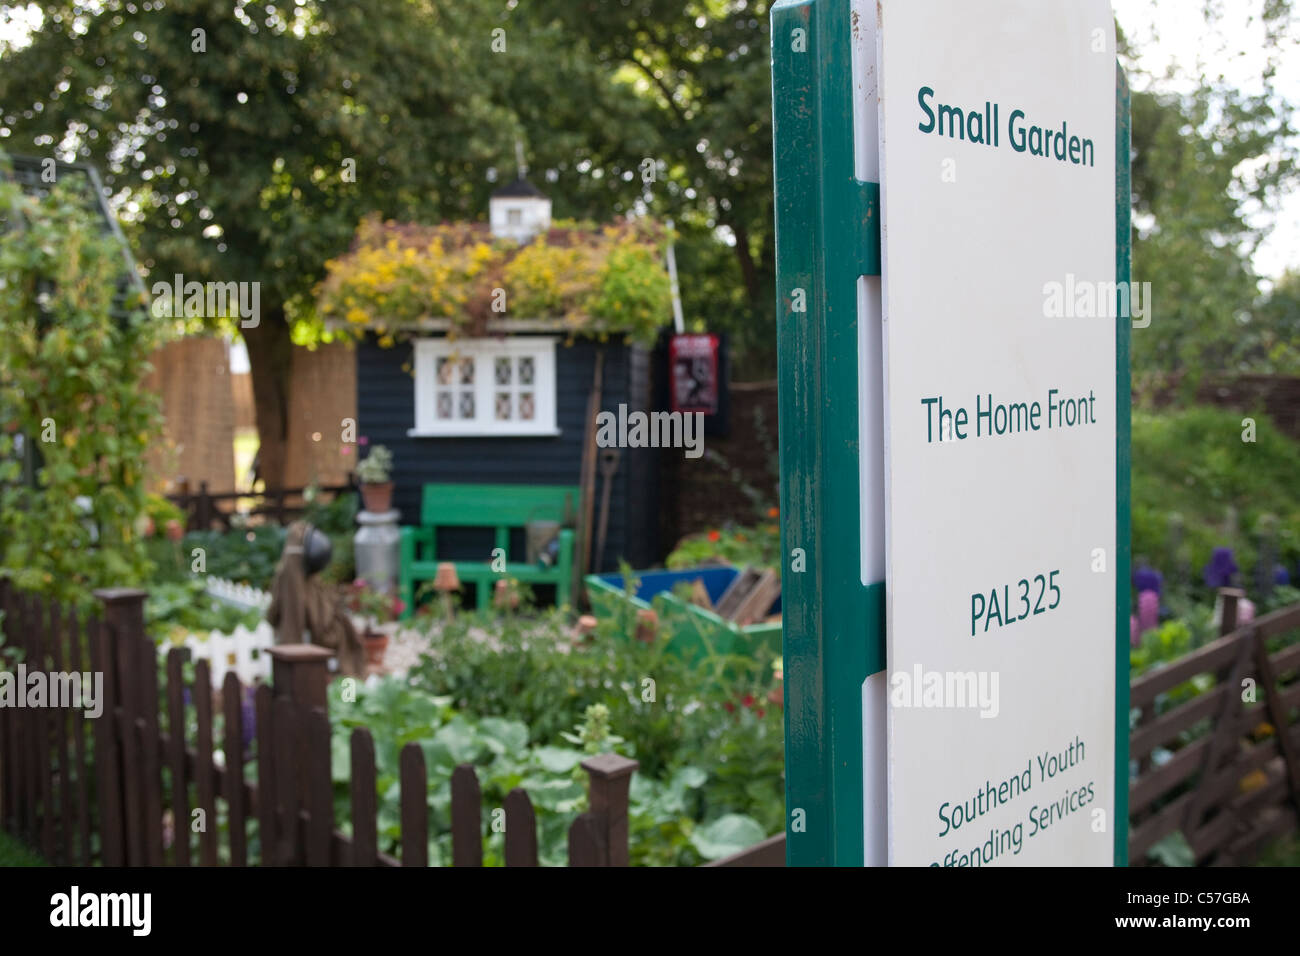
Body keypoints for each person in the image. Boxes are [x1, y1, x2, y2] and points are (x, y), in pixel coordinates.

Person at [266, 520, 366, 676]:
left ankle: (349, 696)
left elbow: (272, 615)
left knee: (347, 666)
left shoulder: (308, 582)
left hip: (321, 649)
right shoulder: (291, 580)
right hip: (310, 653)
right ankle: (349, 695)